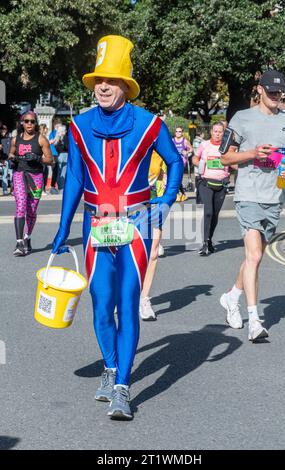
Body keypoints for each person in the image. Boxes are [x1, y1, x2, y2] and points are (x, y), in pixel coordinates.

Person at [51, 35, 183, 420]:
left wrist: (166, 199)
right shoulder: (79, 125)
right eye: (98, 81)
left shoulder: (149, 123)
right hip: (96, 224)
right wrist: (62, 229)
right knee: (99, 305)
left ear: (126, 85)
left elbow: (174, 162)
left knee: (127, 303)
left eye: (111, 80)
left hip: (137, 223)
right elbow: (75, 178)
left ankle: (123, 388)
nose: (103, 86)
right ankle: (111, 368)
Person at [219, 70, 285, 341]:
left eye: (280, 92)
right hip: (248, 194)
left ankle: (233, 296)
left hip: (275, 196)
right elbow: (225, 159)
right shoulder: (242, 118)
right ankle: (254, 320)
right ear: (260, 90)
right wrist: (253, 153)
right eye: (272, 91)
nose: (277, 96)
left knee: (256, 256)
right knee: (253, 255)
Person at [9, 111, 53, 256]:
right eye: (26, 121)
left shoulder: (41, 140)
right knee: (21, 205)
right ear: (22, 122)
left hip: (36, 177)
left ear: (36, 123)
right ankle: (19, 242)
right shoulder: (16, 139)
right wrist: (12, 159)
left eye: (32, 121)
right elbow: (11, 153)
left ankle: (27, 238)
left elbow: (50, 160)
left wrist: (37, 158)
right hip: (20, 174)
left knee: (32, 210)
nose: (29, 124)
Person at [193, 121, 229, 255]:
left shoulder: (227, 147)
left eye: (220, 132)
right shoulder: (204, 145)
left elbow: (233, 162)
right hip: (206, 182)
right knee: (208, 212)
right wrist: (200, 164)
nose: (218, 134)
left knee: (215, 214)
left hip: (221, 183)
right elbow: (194, 158)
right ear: (211, 132)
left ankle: (209, 240)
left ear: (223, 133)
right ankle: (205, 243)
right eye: (215, 131)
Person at [139, 149, 167, 321]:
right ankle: (121, 297)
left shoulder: (159, 151)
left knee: (153, 252)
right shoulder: (131, 141)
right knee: (124, 251)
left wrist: (165, 182)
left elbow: (166, 167)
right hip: (128, 202)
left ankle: (144, 299)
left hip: (153, 200)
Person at [172, 127, 193, 201]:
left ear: (182, 132)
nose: (178, 133)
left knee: (176, 177)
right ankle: (182, 194)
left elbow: (191, 149)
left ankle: (178, 194)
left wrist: (186, 152)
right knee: (176, 178)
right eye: (177, 131)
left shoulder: (184, 141)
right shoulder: (172, 140)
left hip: (181, 161)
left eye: (180, 131)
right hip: (173, 161)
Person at [0, 124, 12, 196]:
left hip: (7, 160)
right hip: (1, 159)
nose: (3, 130)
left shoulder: (9, 139)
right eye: (2, 129)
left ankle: (6, 190)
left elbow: (10, 150)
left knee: (7, 176)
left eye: (5, 129)